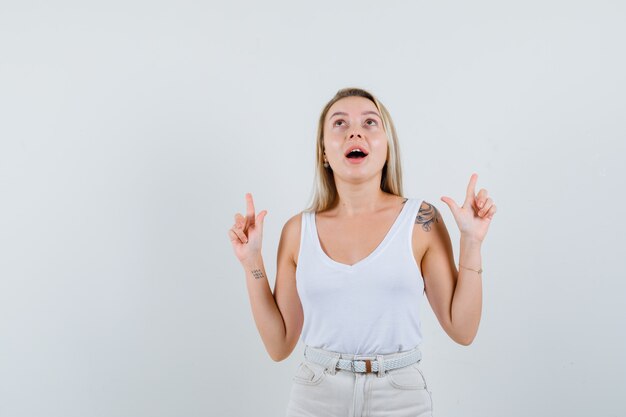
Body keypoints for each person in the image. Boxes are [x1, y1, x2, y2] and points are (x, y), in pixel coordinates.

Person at [228, 87, 497, 417]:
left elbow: (463, 329)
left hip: (400, 397)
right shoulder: (298, 231)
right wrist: (251, 261)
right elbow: (279, 344)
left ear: (387, 148)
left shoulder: (421, 221)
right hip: (316, 395)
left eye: (370, 122)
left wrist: (472, 241)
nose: (355, 131)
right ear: (324, 152)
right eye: (339, 123)